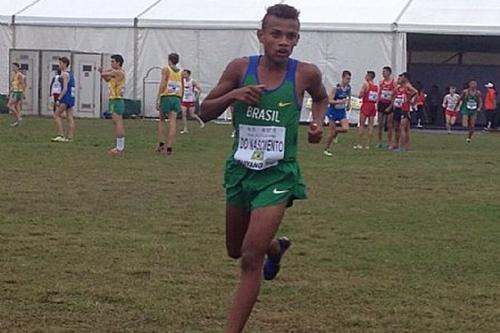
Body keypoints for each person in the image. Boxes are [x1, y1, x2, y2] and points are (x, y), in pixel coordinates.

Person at [199, 4, 328, 332]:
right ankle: (277, 246)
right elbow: (204, 111)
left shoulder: (304, 73)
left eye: (291, 36)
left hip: (278, 174)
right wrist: (234, 96)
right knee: (235, 249)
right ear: (261, 36)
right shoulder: (240, 69)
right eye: (276, 34)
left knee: (250, 258)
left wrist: (315, 123)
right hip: (241, 171)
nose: (284, 42)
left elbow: (321, 97)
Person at [99, 54, 126, 155]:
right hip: (113, 99)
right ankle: (119, 146)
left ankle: (120, 147)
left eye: (113, 61)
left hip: (117, 99)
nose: (111, 63)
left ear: (118, 63)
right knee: (116, 122)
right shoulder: (114, 73)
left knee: (118, 122)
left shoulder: (119, 72)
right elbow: (107, 79)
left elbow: (104, 74)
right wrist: (104, 72)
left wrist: (103, 71)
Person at [156, 53, 183, 155]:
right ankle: (170, 147)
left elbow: (163, 83)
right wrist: (180, 99)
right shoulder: (180, 72)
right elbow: (182, 86)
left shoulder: (166, 69)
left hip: (166, 96)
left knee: (162, 120)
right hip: (176, 97)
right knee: (173, 122)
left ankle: (161, 143)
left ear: (169, 60)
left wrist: (158, 97)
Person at [323, 70, 351, 156]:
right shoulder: (336, 89)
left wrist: (348, 103)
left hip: (341, 111)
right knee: (331, 133)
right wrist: (339, 102)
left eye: (349, 79)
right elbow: (329, 100)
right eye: (347, 78)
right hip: (333, 111)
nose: (348, 81)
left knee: (346, 128)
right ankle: (327, 149)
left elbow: (349, 95)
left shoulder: (348, 88)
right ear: (342, 78)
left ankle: (336, 132)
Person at [391, 72, 417, 151]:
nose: (399, 79)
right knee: (396, 128)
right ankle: (396, 144)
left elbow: (415, 92)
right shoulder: (398, 87)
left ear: (405, 78)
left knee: (403, 128)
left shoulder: (407, 86)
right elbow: (394, 95)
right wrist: (393, 104)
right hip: (397, 108)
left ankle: (403, 146)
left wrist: (411, 100)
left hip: (404, 109)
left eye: (401, 77)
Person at [51, 57, 75, 142]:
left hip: (66, 97)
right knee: (70, 117)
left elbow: (65, 88)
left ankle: (60, 134)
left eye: (60, 63)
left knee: (56, 115)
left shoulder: (64, 74)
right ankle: (70, 137)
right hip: (71, 98)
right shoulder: (71, 74)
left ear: (65, 64)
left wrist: (59, 99)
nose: (59, 65)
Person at [355, 71, 378, 149]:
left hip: (366, 104)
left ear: (369, 76)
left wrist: (360, 95)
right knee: (370, 125)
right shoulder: (376, 86)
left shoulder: (366, 84)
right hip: (372, 105)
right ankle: (368, 144)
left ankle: (359, 143)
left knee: (361, 124)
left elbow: (361, 94)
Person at [180, 69, 204, 134]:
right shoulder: (182, 81)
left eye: (185, 74)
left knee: (192, 115)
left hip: (191, 100)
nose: (184, 75)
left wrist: (196, 98)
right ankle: (185, 128)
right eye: (183, 74)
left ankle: (200, 122)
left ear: (188, 74)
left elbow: (200, 89)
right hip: (184, 99)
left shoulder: (192, 81)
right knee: (183, 114)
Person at [377, 66, 395, 149]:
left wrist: (391, 105)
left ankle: (389, 142)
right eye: (382, 71)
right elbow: (379, 93)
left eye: (384, 71)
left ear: (389, 73)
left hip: (389, 103)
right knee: (380, 124)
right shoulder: (381, 82)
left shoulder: (393, 83)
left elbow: (394, 95)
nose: (383, 73)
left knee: (389, 124)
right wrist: (377, 103)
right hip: (381, 103)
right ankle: (379, 142)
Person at [7, 62, 26, 127]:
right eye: (12, 67)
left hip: (18, 92)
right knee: (16, 106)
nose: (13, 68)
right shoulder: (15, 75)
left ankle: (18, 118)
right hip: (15, 91)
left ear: (17, 67)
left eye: (14, 67)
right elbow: (12, 83)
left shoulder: (19, 75)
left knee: (9, 105)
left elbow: (23, 84)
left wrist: (23, 92)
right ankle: (17, 120)